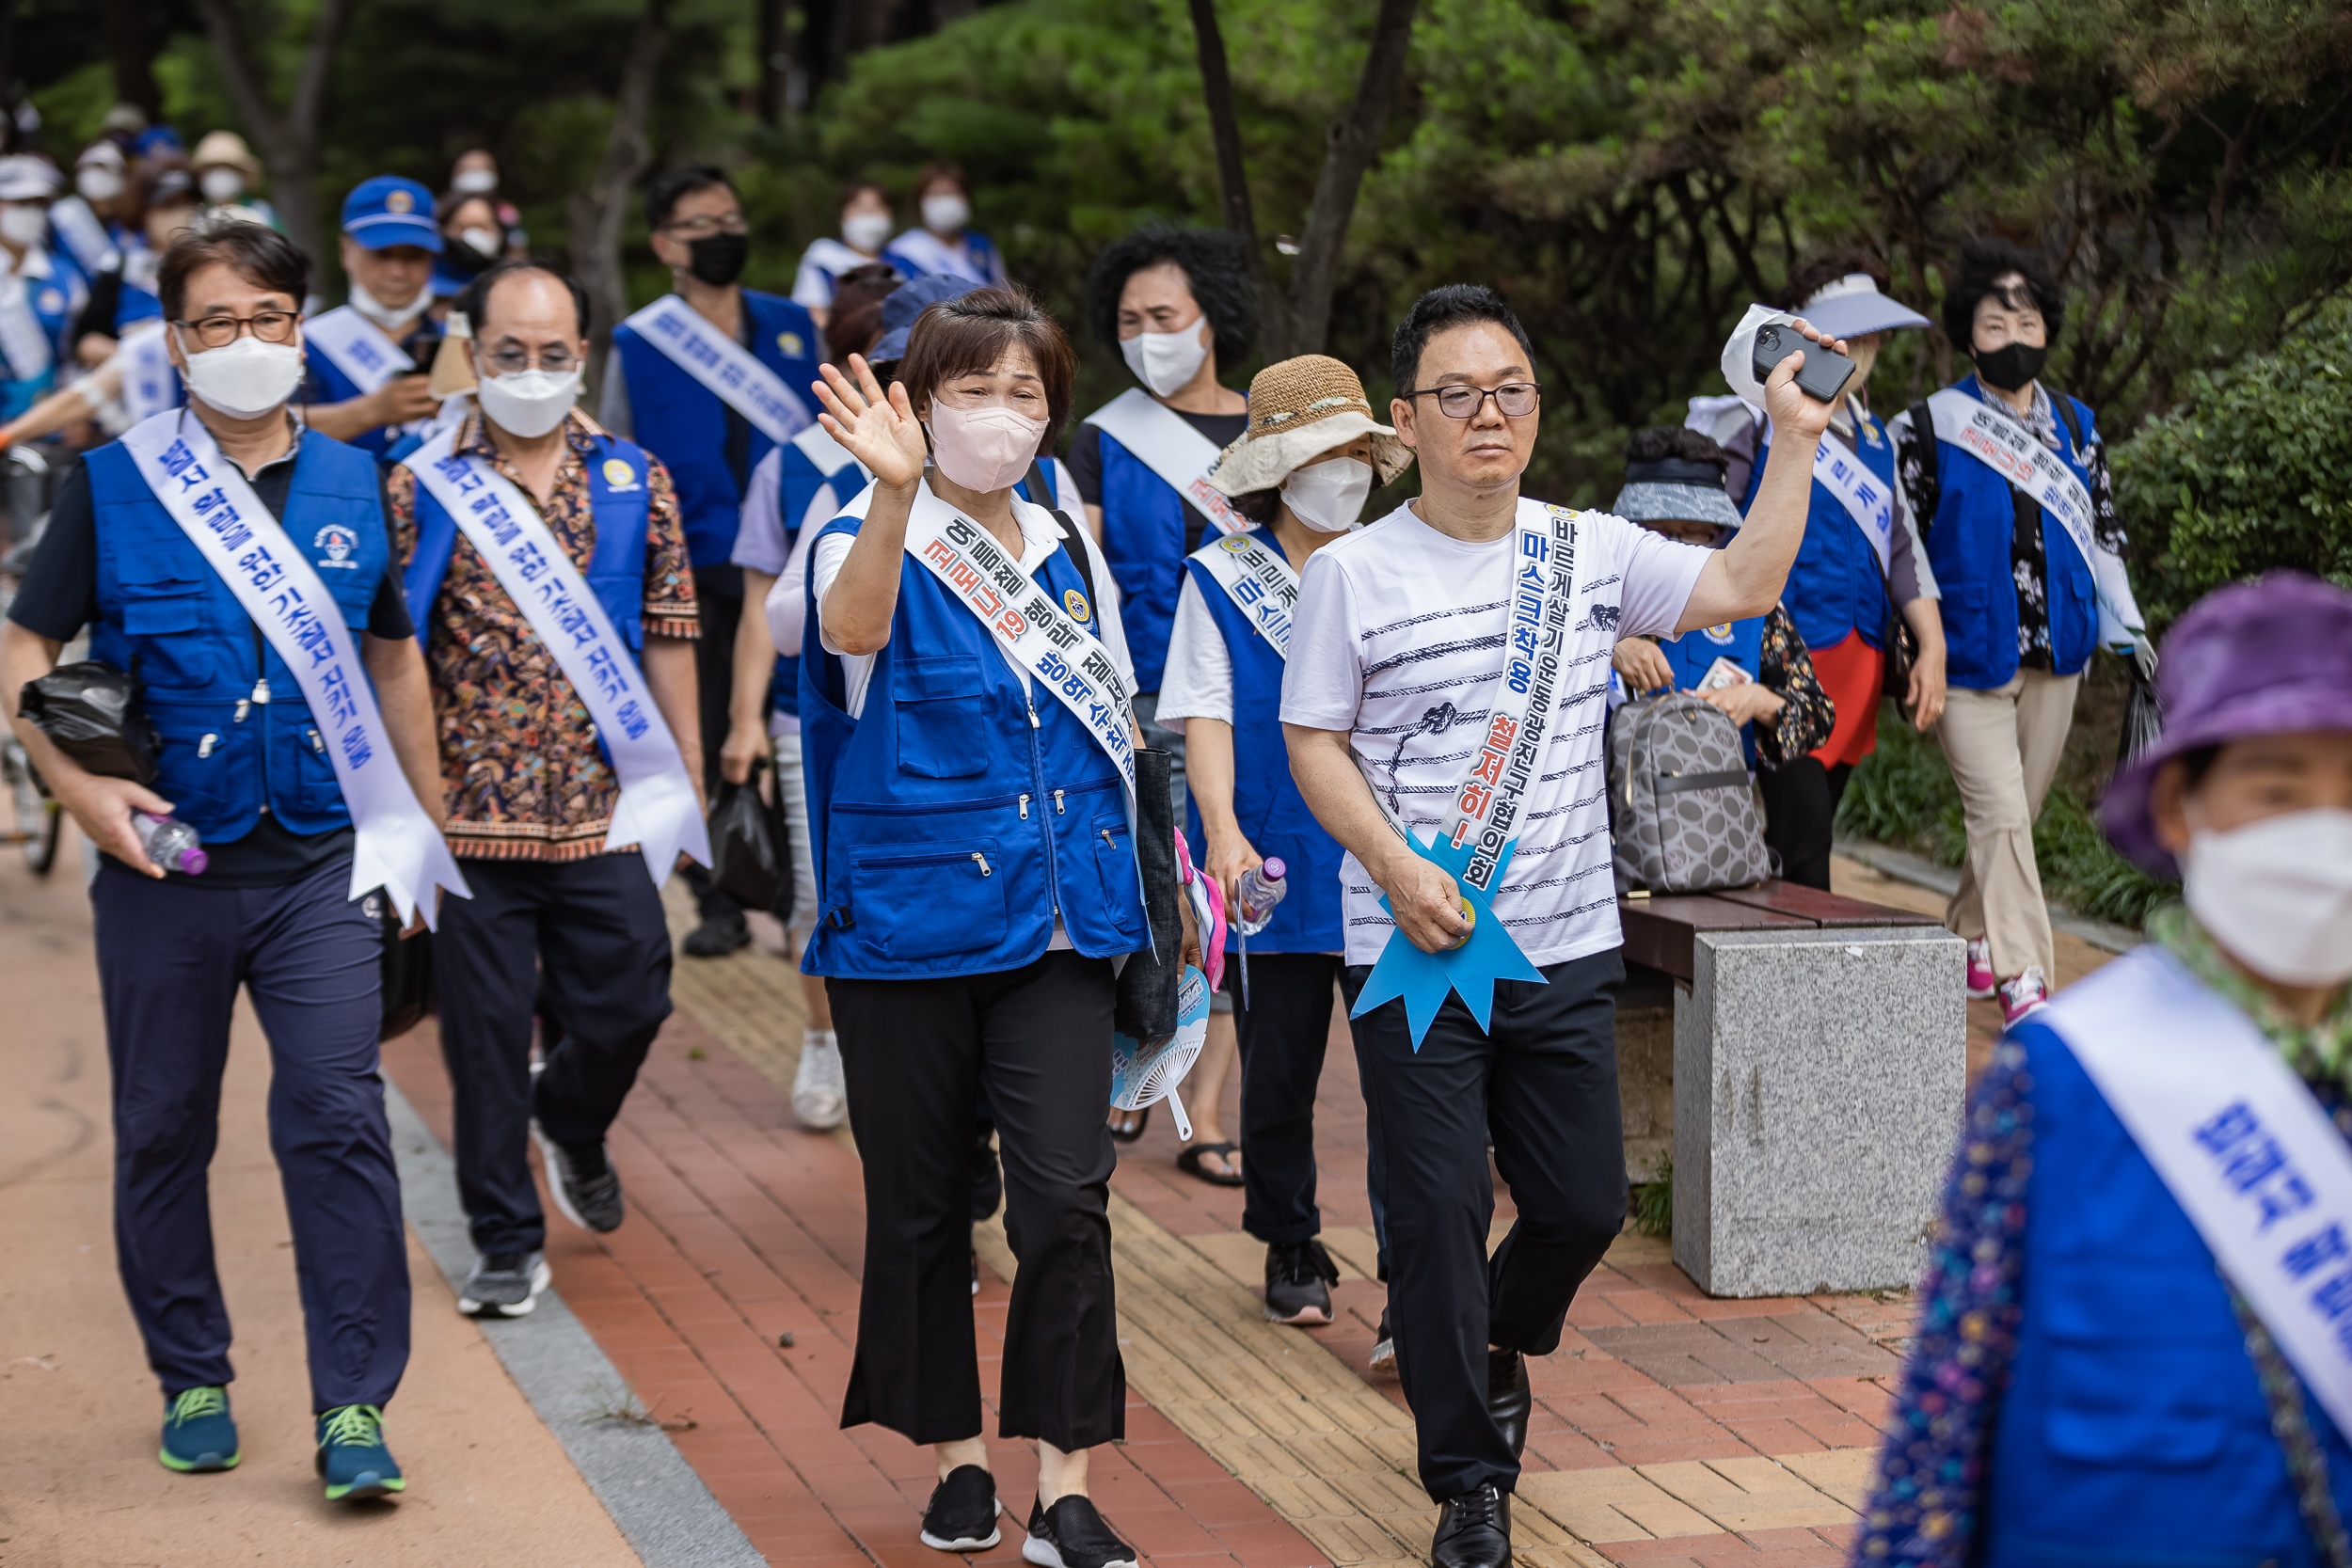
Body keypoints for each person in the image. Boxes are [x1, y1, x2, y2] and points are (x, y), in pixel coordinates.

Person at [1279, 284, 1843, 1568]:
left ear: (1536, 408)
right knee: (1428, 1218)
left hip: (1563, 942)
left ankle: (1490, 1336)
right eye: (1459, 394)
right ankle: (1470, 1480)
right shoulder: (1353, 574)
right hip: (1415, 953)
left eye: (1511, 390)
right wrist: (1385, 861)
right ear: (1408, 419)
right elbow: (1311, 739)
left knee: (1585, 1202)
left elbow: (1742, 577)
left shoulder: (1586, 549)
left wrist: (1795, 438)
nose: (1489, 414)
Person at [0, 220, 465, 1500]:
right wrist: (84, 795)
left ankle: (356, 1404)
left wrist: (416, 825)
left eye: (270, 317)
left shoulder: (355, 483)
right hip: (166, 865)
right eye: (219, 322)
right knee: (162, 1127)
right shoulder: (111, 483)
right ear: (175, 342)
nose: (249, 343)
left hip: (317, 860)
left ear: (299, 329)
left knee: (338, 1116)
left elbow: (392, 658)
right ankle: (191, 1370)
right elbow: (24, 648)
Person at [1853, 571, 2352, 1563]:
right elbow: (1943, 1421)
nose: (2321, 829)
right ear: (2179, 809)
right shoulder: (2060, 1078)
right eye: (2277, 788)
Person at [802, 287, 1175, 1568]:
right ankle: (959, 1463)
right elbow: (849, 639)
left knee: (1066, 1199)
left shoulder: (1064, 528)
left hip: (1063, 919)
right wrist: (900, 497)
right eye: (975, 390)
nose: (1004, 418)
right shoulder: (855, 516)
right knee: (919, 1206)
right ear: (918, 400)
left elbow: (1115, 715)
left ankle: (1063, 1486)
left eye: (1028, 393)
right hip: (909, 924)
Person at [388, 260, 706, 1318]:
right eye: (510, 353)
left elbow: (669, 632)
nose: (533, 371)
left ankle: (569, 1117)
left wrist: (690, 771)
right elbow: (391, 655)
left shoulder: (632, 477)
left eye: (554, 353)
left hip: (607, 810)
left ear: (584, 352)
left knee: (632, 997)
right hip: (469, 813)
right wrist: (412, 801)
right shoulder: (418, 483)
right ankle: (504, 1238)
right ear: (473, 355)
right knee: (479, 1038)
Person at [1156, 353, 1411, 1307]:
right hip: (1269, 853)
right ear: (1276, 467)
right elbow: (1208, 712)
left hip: (1391, 857)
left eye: (1357, 451)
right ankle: (1290, 1238)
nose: (1344, 469)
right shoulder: (1220, 577)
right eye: (1324, 453)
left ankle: (1409, 1267)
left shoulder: (1400, 561)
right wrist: (1219, 829)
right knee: (1277, 1070)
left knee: (1409, 1080)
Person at [1890, 238, 2148, 1022]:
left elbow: (2103, 530)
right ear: (1969, 337)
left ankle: (1968, 928)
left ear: (2047, 330)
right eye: (1995, 325)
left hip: (2059, 649)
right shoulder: (1928, 426)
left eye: (2027, 322)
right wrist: (1918, 642)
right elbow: (1900, 543)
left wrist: (2130, 632)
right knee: (2000, 814)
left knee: (2013, 818)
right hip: (1967, 650)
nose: (2013, 338)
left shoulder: (2075, 423)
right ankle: (2026, 979)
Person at [601, 164, 821, 958]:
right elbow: (617, 451)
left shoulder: (793, 324)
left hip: (787, 558)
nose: (722, 235)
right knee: (703, 728)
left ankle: (793, 876)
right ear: (666, 244)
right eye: (701, 225)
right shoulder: (640, 340)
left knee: (782, 721)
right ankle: (719, 892)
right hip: (687, 564)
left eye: (731, 219)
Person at [1702, 257, 1947, 890]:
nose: (1866, 347)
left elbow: (1900, 548)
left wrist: (1933, 645)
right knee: (1804, 832)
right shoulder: (1752, 418)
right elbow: (1707, 522)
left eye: (1873, 335)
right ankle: (1798, 967)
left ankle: (1769, 946)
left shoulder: (1875, 437)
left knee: (1810, 828)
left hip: (1857, 660)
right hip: (1779, 651)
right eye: (1852, 333)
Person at [724, 266, 900, 1130]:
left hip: (911, 712)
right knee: (816, 888)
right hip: (810, 716)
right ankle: (822, 1042)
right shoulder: (792, 469)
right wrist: (742, 721)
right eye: (869, 361)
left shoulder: (969, 466)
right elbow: (767, 607)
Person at [1072, 226, 1255, 819]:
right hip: (1151, 699)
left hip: (1264, 685)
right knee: (1174, 883)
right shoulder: (1103, 438)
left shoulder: (1271, 427)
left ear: (1212, 317)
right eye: (1129, 321)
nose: (1146, 336)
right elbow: (1082, 581)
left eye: (1163, 315)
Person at [1608, 427, 1836, 864]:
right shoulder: (1585, 592)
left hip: (1704, 825)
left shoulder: (1752, 609)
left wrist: (1759, 700)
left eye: (1695, 535)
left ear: (1715, 533)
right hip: (1597, 826)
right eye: (1660, 535)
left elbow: (1818, 716)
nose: (1677, 550)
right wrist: (1608, 647)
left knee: (1807, 789)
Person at [300, 175, 444, 456]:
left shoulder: (459, 346)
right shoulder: (304, 343)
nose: (397, 272)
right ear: (345, 251)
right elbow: (267, 431)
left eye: (413, 256)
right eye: (382, 254)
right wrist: (371, 412)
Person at [0, 155, 84, 421]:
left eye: (40, 204)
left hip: (51, 423)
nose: (31, 212)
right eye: (21, 203)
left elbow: (77, 354)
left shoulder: (64, 275)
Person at [794, 181, 900, 328]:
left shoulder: (906, 259)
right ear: (841, 217)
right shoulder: (823, 257)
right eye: (859, 207)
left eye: (877, 206)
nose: (868, 214)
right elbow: (812, 314)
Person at [883, 164, 1008, 289]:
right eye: (936, 194)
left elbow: (1003, 293)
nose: (945, 201)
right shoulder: (902, 252)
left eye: (953, 193)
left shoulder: (982, 245)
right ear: (919, 203)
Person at [53, 138, 129, 282]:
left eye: (104, 168)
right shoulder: (63, 215)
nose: (96, 175)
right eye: (89, 168)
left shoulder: (129, 221)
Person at [189, 131, 277, 229]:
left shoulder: (263, 211)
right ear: (200, 175)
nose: (220, 174)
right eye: (212, 168)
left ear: (242, 174)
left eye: (227, 167)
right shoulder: (195, 219)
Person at [431, 190, 504, 301]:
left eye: (481, 226)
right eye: (462, 227)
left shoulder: (507, 281)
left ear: (499, 231)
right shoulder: (430, 285)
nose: (472, 235)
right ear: (445, 230)